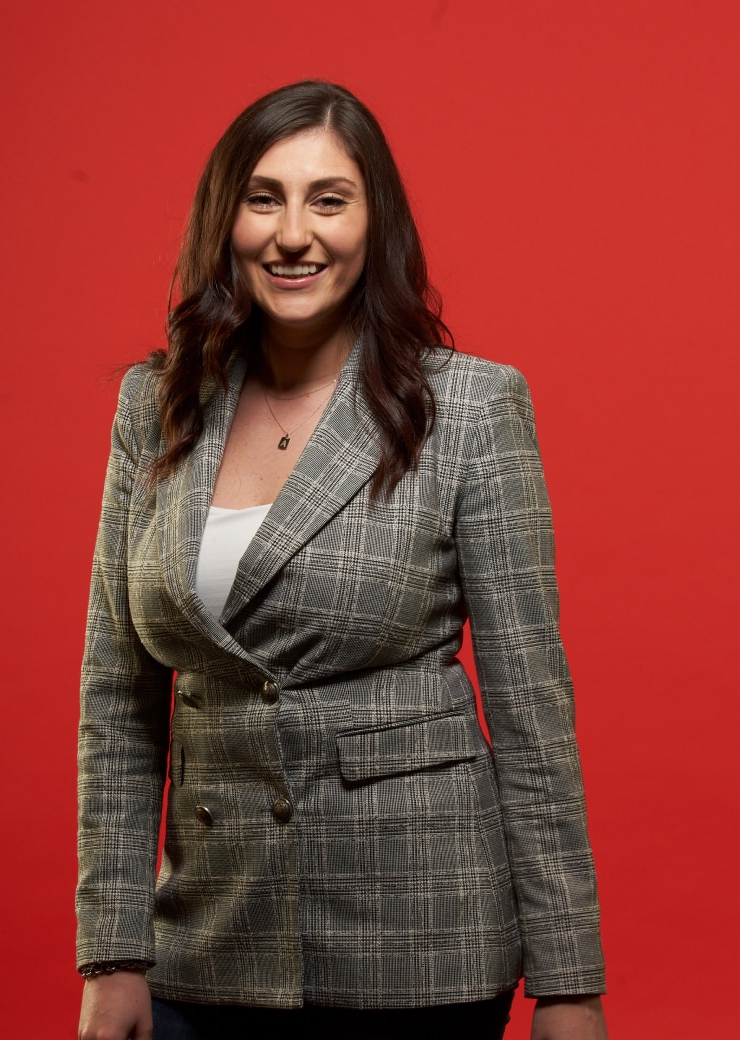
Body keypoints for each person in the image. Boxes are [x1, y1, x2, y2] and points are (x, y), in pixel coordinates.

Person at [76, 81, 608, 1040]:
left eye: (329, 199)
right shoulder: (153, 408)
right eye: (264, 197)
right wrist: (112, 954)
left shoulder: (469, 411)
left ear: (375, 223)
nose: (293, 234)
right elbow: (118, 702)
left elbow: (533, 711)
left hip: (423, 943)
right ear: (224, 220)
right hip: (209, 932)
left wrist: (569, 983)